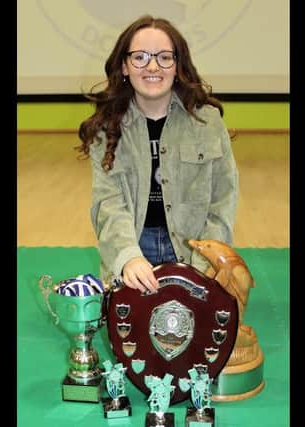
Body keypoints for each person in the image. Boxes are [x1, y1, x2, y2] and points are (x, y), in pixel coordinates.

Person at [77, 15, 239, 294]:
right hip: (134, 253)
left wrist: (205, 263)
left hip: (196, 252)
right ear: (125, 66)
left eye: (164, 57)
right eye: (139, 57)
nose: (152, 66)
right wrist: (129, 258)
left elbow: (223, 200)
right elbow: (109, 205)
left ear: (178, 66)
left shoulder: (208, 121)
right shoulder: (107, 127)